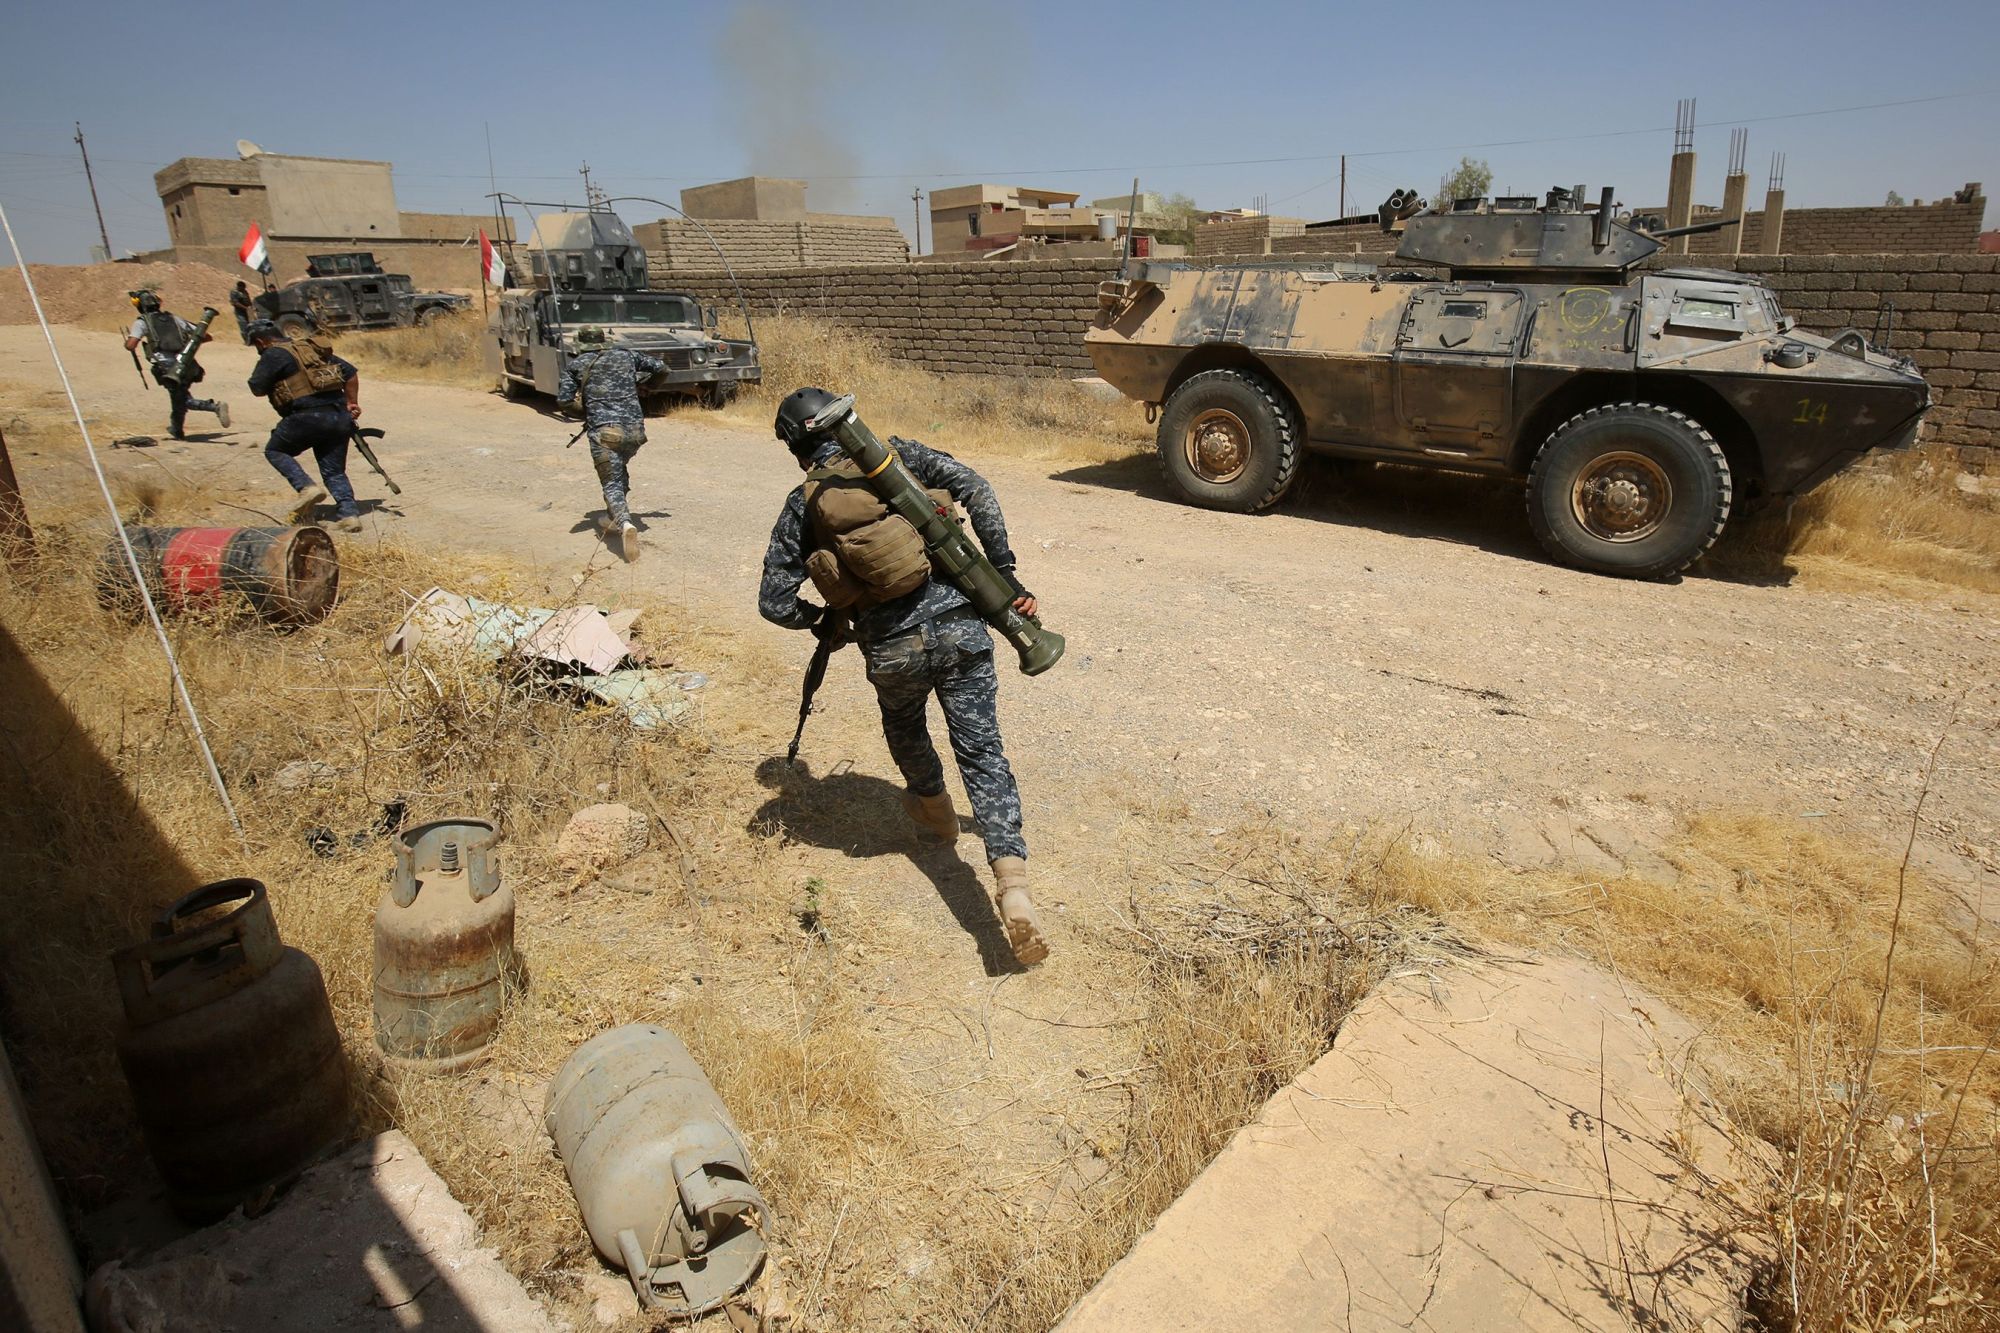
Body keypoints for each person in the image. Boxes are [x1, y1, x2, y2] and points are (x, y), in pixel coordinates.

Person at [759, 386, 1050, 967]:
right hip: (964, 628)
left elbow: (774, 601)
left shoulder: (803, 504)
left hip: (890, 648)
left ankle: (935, 813)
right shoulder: (895, 456)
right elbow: (978, 490)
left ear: (795, 444)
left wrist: (829, 623)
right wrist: (1005, 574)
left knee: (906, 728)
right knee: (983, 752)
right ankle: (1012, 882)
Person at [243, 319, 365, 532]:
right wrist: (351, 402)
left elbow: (257, 388)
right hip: (338, 417)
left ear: (261, 342)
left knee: (275, 450)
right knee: (334, 471)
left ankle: (306, 488)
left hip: (306, 417)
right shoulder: (308, 348)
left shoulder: (273, 354)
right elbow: (351, 372)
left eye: (255, 345)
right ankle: (349, 514)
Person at [556, 326, 665, 561]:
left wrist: (587, 411)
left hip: (606, 433)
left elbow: (564, 402)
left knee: (611, 481)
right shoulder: (626, 355)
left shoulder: (576, 365)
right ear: (603, 341)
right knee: (619, 469)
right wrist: (646, 387)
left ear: (581, 344)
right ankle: (613, 515)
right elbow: (661, 368)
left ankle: (625, 524)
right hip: (635, 432)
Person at [123, 291, 229, 440]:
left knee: (182, 399)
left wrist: (127, 344)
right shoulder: (175, 318)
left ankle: (214, 407)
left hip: (168, 368)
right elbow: (206, 336)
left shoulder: (142, 322)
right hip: (188, 365)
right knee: (179, 398)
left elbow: (131, 344)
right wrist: (187, 347)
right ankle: (177, 430)